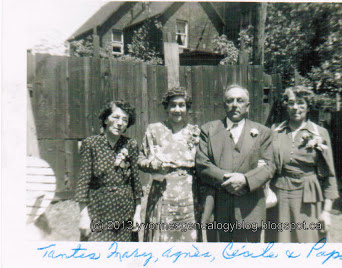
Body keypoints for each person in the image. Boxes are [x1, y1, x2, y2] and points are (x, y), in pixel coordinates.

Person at [196, 84, 274, 242]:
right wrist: (229, 180)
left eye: (240, 100)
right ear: (224, 105)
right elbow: (202, 164)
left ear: (247, 106)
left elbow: (269, 166)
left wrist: (245, 181)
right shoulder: (209, 130)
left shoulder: (263, 132)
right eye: (230, 101)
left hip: (249, 208)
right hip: (218, 209)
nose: (235, 105)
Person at [267, 86, 339, 243]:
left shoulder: (319, 133)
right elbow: (266, 165)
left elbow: (329, 175)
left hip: (308, 196)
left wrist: (326, 211)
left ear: (308, 106)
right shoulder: (275, 131)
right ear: (286, 105)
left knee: (308, 243)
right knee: (280, 243)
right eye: (291, 103)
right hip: (280, 195)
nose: (295, 108)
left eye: (300, 103)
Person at [138, 87, 200, 242]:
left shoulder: (195, 132)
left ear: (187, 108)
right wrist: (153, 165)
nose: (177, 109)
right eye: (173, 105)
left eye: (181, 105)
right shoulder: (154, 130)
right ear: (166, 107)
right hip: (161, 194)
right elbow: (140, 159)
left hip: (189, 197)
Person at [75, 100, 143, 242]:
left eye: (125, 120)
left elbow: (136, 184)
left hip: (125, 215)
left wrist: (137, 213)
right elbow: (83, 183)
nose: (120, 123)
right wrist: (84, 216)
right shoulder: (91, 144)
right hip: (98, 214)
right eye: (116, 117)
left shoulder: (130, 144)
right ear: (106, 119)